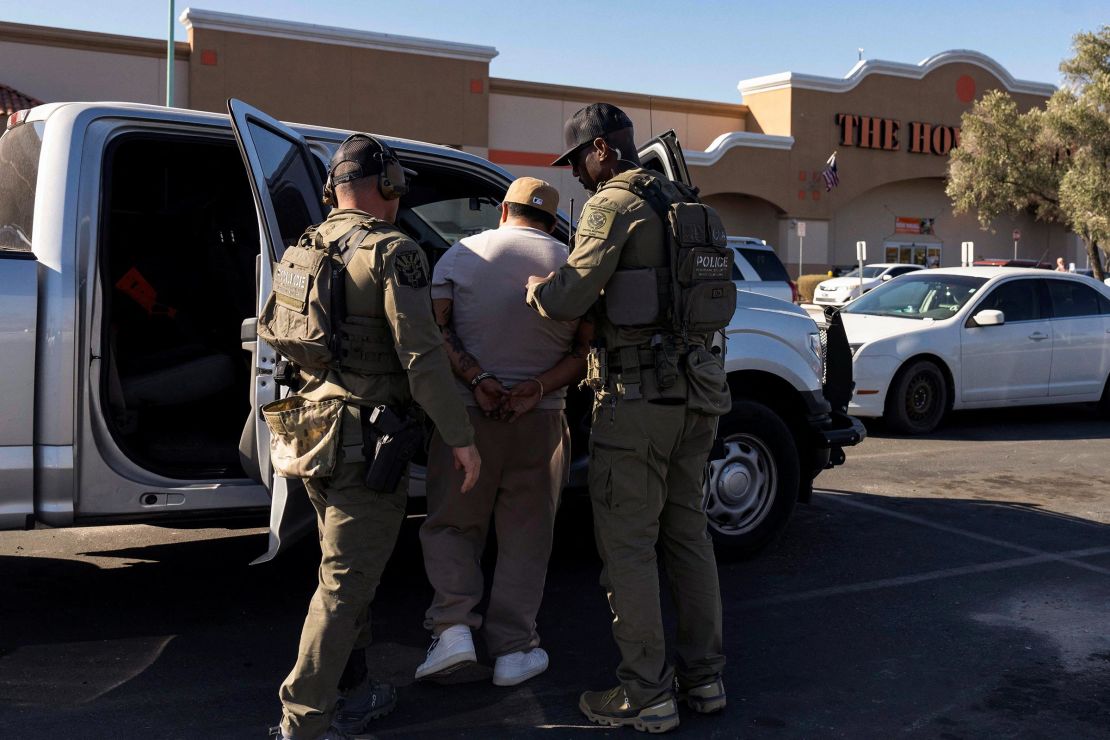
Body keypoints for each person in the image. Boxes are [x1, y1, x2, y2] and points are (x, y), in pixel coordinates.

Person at [526, 103, 727, 733]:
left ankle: (645, 694)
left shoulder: (612, 205)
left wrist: (535, 290)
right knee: (689, 538)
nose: (578, 174)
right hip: (698, 397)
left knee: (630, 549)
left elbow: (571, 294)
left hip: (636, 403)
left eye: (579, 159)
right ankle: (704, 680)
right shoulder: (688, 204)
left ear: (603, 151)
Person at [272, 134, 481, 740]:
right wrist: (460, 437)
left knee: (344, 570)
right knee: (345, 584)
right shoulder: (394, 251)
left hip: (311, 432)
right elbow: (422, 357)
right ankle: (304, 717)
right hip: (367, 441)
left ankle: (354, 690)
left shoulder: (305, 247)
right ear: (386, 186)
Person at [414, 176, 590, 686]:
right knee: (527, 535)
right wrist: (534, 388)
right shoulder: (573, 266)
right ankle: (514, 650)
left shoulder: (460, 254)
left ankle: (452, 630)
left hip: (468, 417)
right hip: (542, 420)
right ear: (553, 221)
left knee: (452, 524)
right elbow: (584, 352)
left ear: (503, 211)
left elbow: (435, 332)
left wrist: (479, 379)